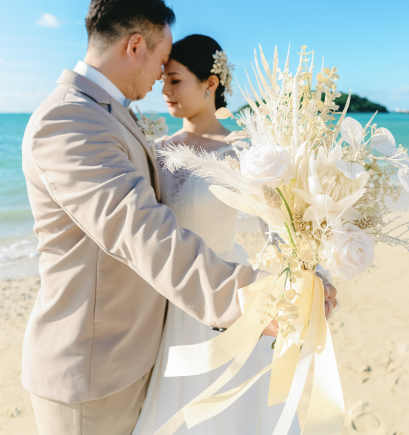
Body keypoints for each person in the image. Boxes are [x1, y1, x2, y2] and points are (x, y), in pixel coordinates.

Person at [21, 0, 337, 435]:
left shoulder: (110, 114)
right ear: (135, 46)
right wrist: (254, 299)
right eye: (160, 62)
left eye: (173, 75)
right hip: (94, 367)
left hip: (147, 345)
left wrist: (298, 275)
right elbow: (141, 231)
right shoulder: (71, 119)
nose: (159, 81)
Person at [133, 35, 336, 434]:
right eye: (162, 80)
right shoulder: (154, 148)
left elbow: (278, 228)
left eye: (175, 80)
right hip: (162, 297)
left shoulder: (242, 150)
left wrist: (310, 280)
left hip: (224, 291)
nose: (164, 91)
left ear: (210, 83)